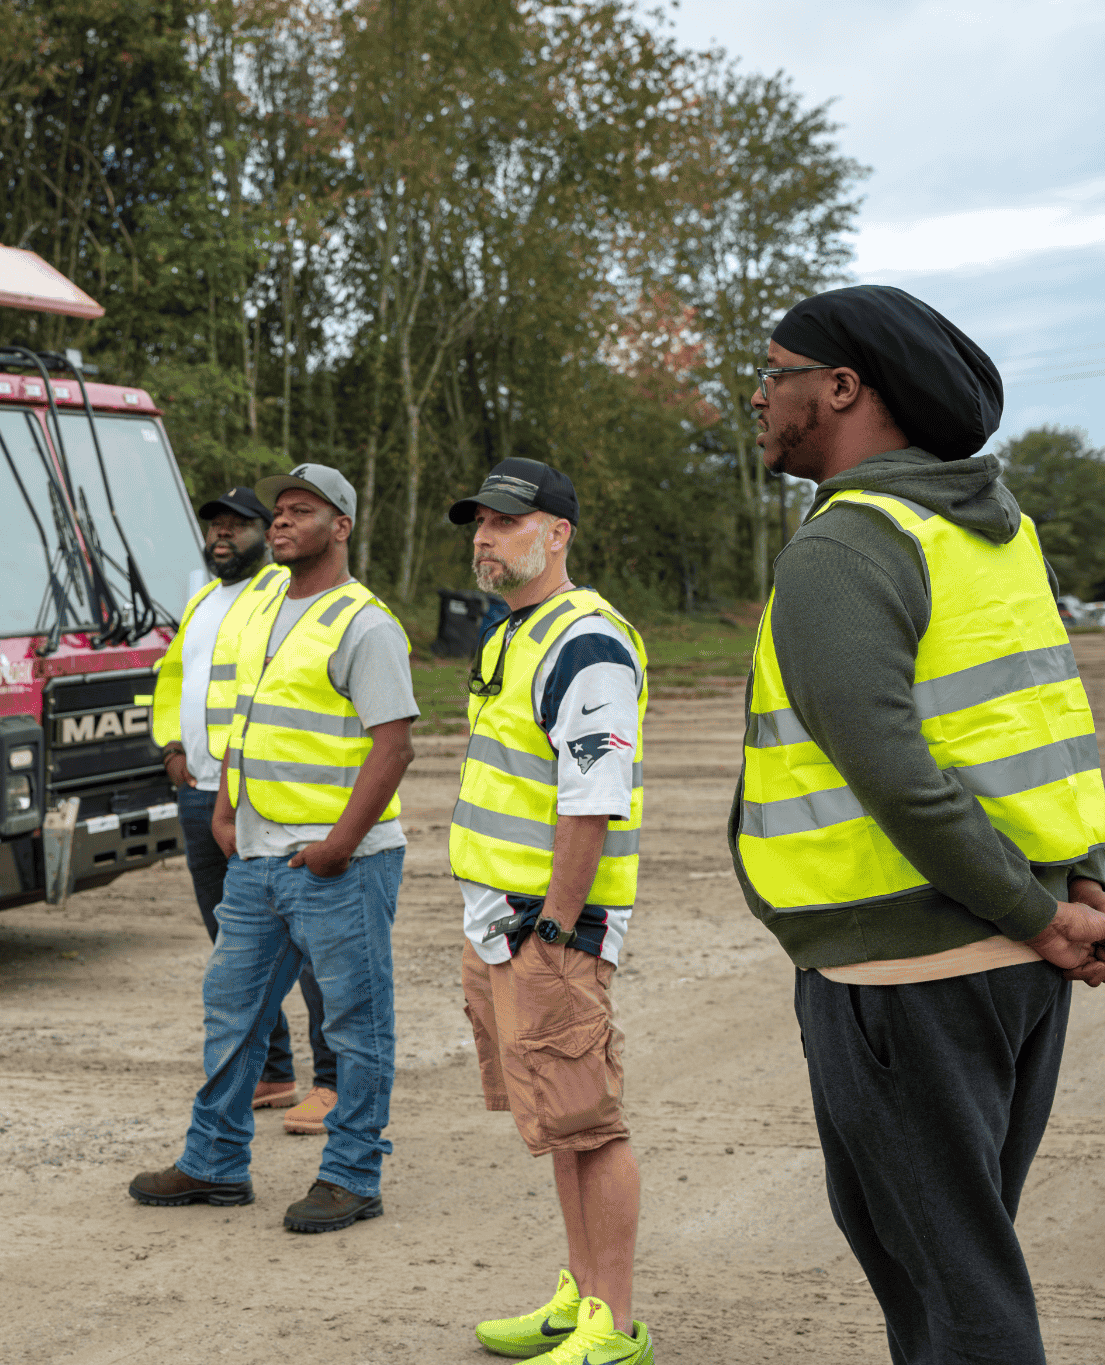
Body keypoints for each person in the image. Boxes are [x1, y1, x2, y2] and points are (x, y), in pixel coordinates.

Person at [735, 284, 1105, 1365]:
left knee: (948, 1283)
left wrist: (1042, 915)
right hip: (1012, 965)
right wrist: (1075, 886)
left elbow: (896, 775)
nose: (757, 399)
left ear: (841, 388)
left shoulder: (841, 550)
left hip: (911, 972)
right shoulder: (994, 533)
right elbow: (1047, 722)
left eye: (773, 374)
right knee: (954, 1252)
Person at [129, 463, 417, 1233]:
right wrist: (226, 804)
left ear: (342, 527)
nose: (282, 520)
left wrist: (337, 847)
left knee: (356, 1024)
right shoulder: (258, 614)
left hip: (340, 863)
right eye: (280, 509)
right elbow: (243, 723)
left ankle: (352, 1174)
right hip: (256, 857)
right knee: (233, 1012)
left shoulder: (365, 623)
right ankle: (215, 1160)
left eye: (303, 510)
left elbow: (393, 748)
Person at [447, 459, 652, 1365]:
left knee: (590, 1119)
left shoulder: (587, 641)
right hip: (503, 918)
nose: (486, 537)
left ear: (557, 532)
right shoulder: (510, 633)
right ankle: (577, 1296)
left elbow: (591, 800)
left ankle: (614, 1322)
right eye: (479, 524)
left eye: (506, 522)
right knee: (556, 1120)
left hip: (551, 926)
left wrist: (559, 930)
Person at [150, 487, 341, 1128]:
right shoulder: (205, 600)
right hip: (199, 792)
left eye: (239, 526)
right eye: (215, 527)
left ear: (269, 533)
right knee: (233, 944)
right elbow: (175, 677)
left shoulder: (278, 594)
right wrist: (170, 747)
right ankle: (275, 1071)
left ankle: (334, 1080)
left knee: (308, 946)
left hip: (257, 797)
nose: (222, 536)